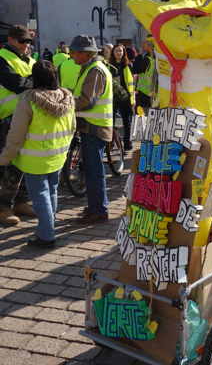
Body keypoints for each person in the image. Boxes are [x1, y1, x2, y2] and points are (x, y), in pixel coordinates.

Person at [0, 61, 75, 246]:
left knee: (40, 195)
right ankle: (48, 228)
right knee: (52, 191)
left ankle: (46, 235)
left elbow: (16, 134)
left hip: (34, 159)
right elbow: (72, 127)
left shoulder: (28, 100)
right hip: (58, 156)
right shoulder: (67, 98)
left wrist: (5, 157)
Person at [70, 35, 113, 223]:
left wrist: (65, 103)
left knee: (95, 171)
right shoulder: (90, 68)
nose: (71, 56)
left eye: (74, 53)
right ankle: (95, 206)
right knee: (91, 170)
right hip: (91, 127)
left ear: (85, 54)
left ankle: (99, 210)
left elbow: (87, 101)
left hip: (95, 128)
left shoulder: (95, 70)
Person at [0, 24, 36, 226]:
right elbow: (14, 83)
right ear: (11, 39)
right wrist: (35, 81)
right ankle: (4, 206)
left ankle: (20, 201)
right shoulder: (2, 57)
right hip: (8, 118)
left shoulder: (30, 60)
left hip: (27, 117)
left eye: (28, 41)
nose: (26, 45)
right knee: (9, 162)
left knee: (24, 162)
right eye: (23, 41)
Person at [109, 44, 135, 150]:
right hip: (113, 97)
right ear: (113, 52)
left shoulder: (128, 65)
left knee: (126, 121)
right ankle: (111, 143)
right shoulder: (109, 65)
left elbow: (131, 84)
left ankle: (127, 142)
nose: (119, 53)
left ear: (124, 52)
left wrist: (132, 99)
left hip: (125, 97)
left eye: (120, 51)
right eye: (116, 51)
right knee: (111, 121)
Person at [133, 36, 157, 112]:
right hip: (152, 91)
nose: (143, 45)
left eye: (145, 43)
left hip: (143, 92)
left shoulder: (146, 59)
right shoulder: (156, 59)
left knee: (141, 115)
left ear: (150, 46)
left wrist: (139, 55)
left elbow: (136, 70)